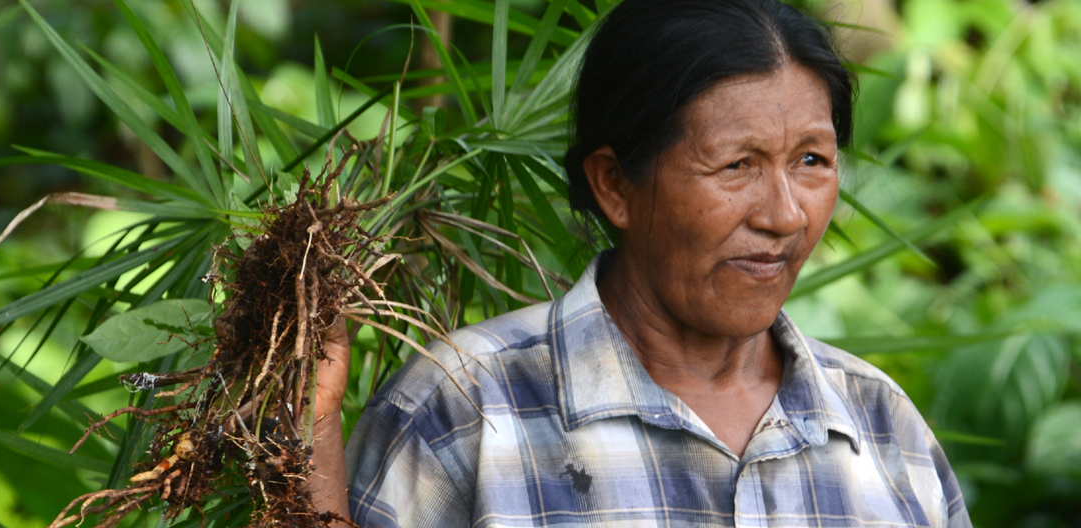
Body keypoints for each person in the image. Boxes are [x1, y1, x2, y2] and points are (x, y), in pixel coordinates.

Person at [305, 0, 971, 526]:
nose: (786, 215)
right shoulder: (463, 412)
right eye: (737, 165)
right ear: (615, 185)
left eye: (812, 161)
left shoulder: (882, 428)